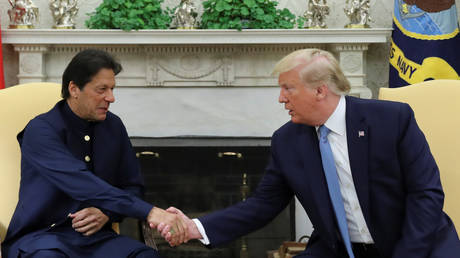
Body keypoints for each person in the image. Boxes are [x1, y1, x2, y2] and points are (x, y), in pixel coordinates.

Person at [159, 48, 460, 258]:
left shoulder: (391, 120)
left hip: (414, 245)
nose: (280, 98)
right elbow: (263, 205)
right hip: (340, 250)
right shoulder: (287, 140)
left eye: (288, 88)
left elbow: (426, 194)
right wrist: (196, 227)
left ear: (320, 90)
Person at [1, 49, 187, 258]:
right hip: (41, 237)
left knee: (145, 256)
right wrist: (150, 212)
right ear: (74, 89)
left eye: (112, 89)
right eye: (102, 90)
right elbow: (81, 182)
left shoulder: (113, 125)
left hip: (96, 239)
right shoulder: (40, 130)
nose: (111, 97)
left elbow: (133, 186)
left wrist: (107, 213)